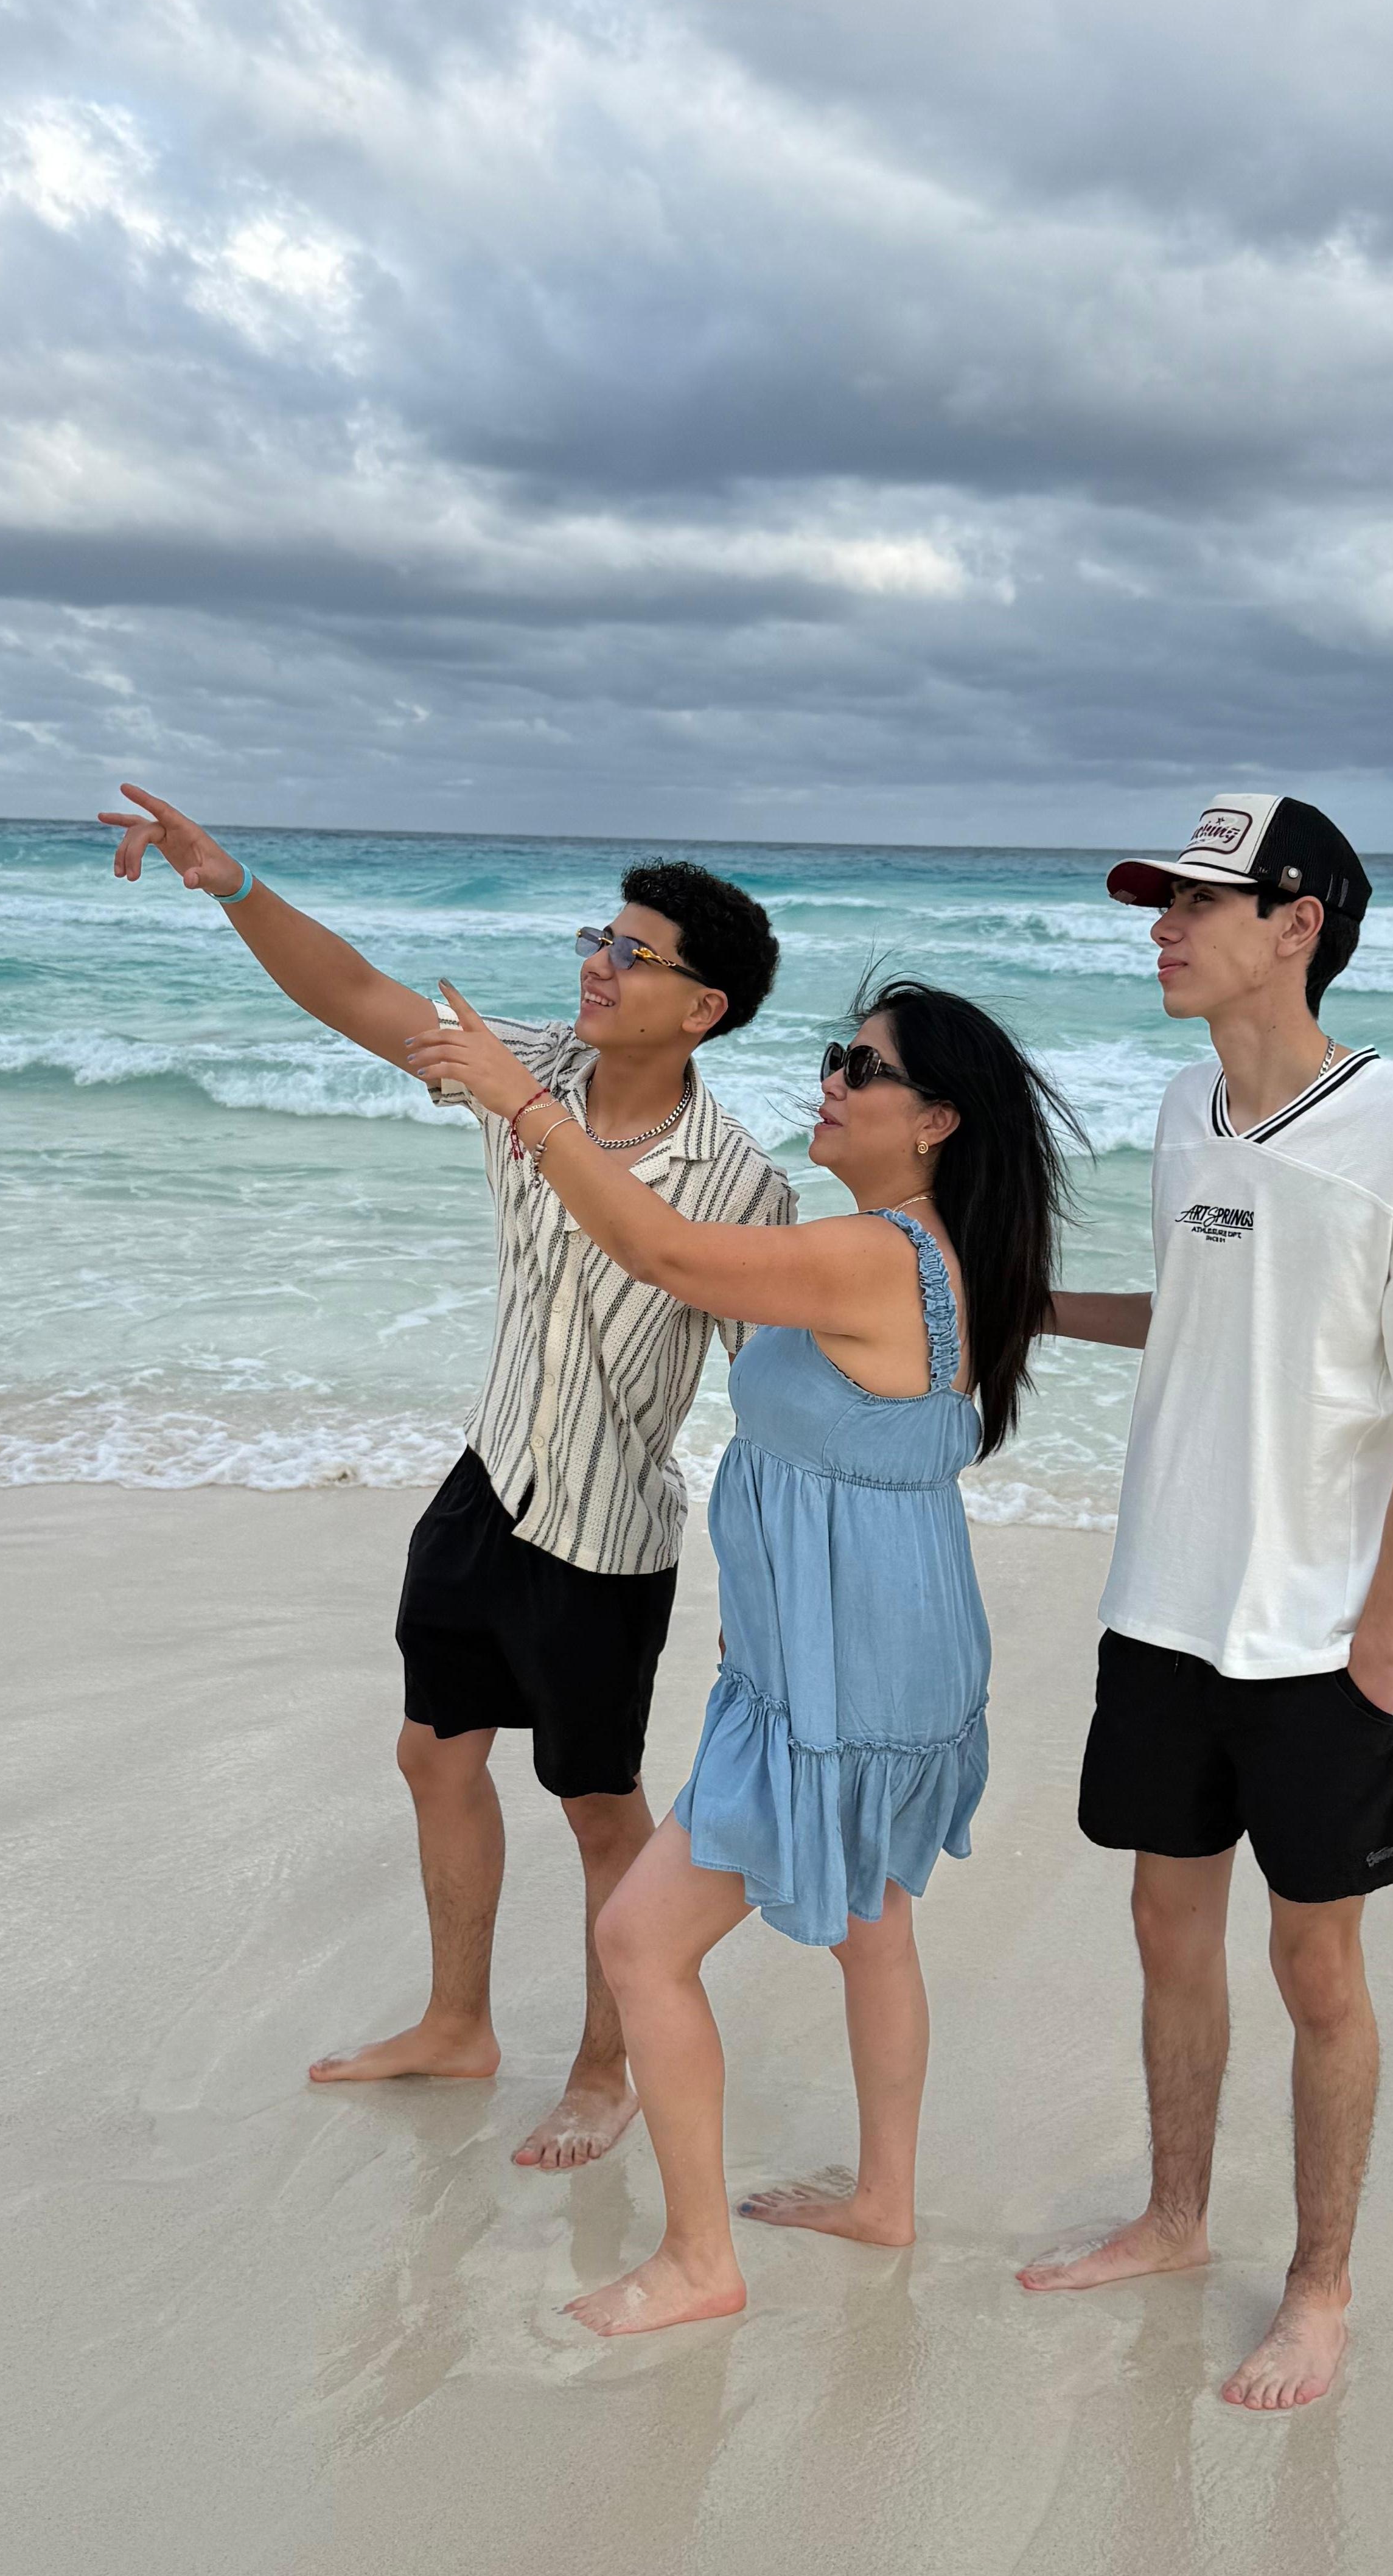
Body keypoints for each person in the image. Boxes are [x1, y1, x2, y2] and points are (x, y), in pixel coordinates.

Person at [100, 786, 792, 2171]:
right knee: (433, 1751)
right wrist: (234, 884)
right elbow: (353, 991)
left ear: (702, 1009)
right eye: (602, 933)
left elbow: (770, 1390)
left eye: (634, 952)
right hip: (487, 1481)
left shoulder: (741, 1185)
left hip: (605, 1532)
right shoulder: (517, 1065)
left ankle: (608, 2070)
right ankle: (457, 2022)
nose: (598, 959)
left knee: (601, 1809)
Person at [421, 977, 1077, 2337]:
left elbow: (658, 1254)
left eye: (865, 1066)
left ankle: (700, 2261)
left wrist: (522, 1100)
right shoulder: (945, 1251)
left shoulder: (872, 1258)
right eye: (837, 1054)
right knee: (871, 1923)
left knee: (640, 1944)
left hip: (840, 1672)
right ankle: (883, 2199)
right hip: (883, 1648)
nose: (829, 1078)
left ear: (938, 1120)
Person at [1024, 791, 1393, 2409]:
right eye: (1156, 900)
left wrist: (1381, 1642)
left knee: (1317, 1971)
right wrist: (1010, 1303)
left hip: (1316, 1642)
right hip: (1163, 1608)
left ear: (1295, 922)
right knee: (1165, 1924)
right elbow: (1198, 1313)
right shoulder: (1186, 1109)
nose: (1160, 926)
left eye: (1193, 902)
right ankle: (1174, 2219)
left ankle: (1318, 2284)